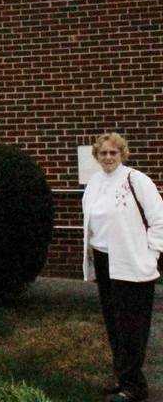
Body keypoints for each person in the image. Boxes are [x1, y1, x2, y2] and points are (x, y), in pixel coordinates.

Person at [82, 132, 163, 402]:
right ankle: (122, 379)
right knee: (114, 324)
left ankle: (135, 388)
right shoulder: (94, 183)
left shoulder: (137, 180)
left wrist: (151, 254)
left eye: (113, 153)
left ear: (122, 154)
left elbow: (159, 220)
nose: (107, 157)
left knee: (132, 327)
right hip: (106, 262)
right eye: (103, 153)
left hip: (132, 262)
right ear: (96, 155)